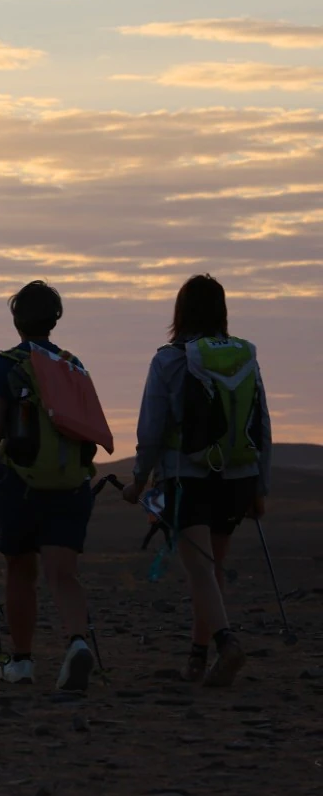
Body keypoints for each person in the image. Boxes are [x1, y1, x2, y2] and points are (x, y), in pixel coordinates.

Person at [125, 275, 271, 689]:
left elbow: (151, 429)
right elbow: (261, 423)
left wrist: (138, 482)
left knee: (200, 570)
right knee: (212, 569)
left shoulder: (169, 360)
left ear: (180, 311)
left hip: (187, 477)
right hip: (238, 477)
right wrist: (260, 487)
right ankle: (198, 657)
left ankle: (226, 644)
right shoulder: (245, 357)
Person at [0, 280, 100, 692]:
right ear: (55, 318)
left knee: (20, 571)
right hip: (69, 483)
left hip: (19, 482)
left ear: (16, 319)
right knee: (64, 574)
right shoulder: (73, 363)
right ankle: (77, 642)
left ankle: (22, 662)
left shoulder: (6, 364)